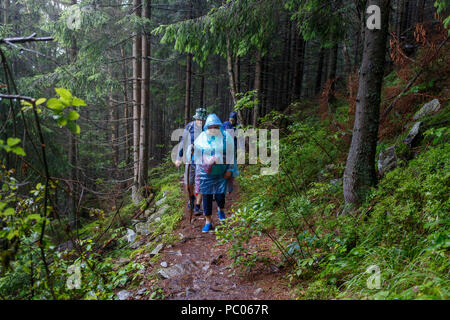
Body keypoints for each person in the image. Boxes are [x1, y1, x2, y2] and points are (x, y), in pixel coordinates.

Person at [193, 113, 238, 233]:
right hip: (205, 173)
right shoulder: (202, 137)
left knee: (220, 195)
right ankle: (208, 221)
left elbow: (231, 154)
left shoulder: (226, 137)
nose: (213, 129)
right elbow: (196, 156)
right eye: (210, 127)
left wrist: (230, 170)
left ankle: (221, 209)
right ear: (207, 127)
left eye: (216, 127)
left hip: (221, 173)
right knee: (206, 197)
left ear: (219, 127)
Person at [175, 108, 207, 215]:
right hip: (190, 159)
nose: (200, 122)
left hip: (203, 161)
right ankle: (191, 197)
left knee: (201, 182)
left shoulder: (207, 129)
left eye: (202, 120)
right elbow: (183, 142)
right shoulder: (189, 127)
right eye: (198, 119)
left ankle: (197, 205)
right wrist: (179, 158)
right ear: (195, 118)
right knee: (188, 183)